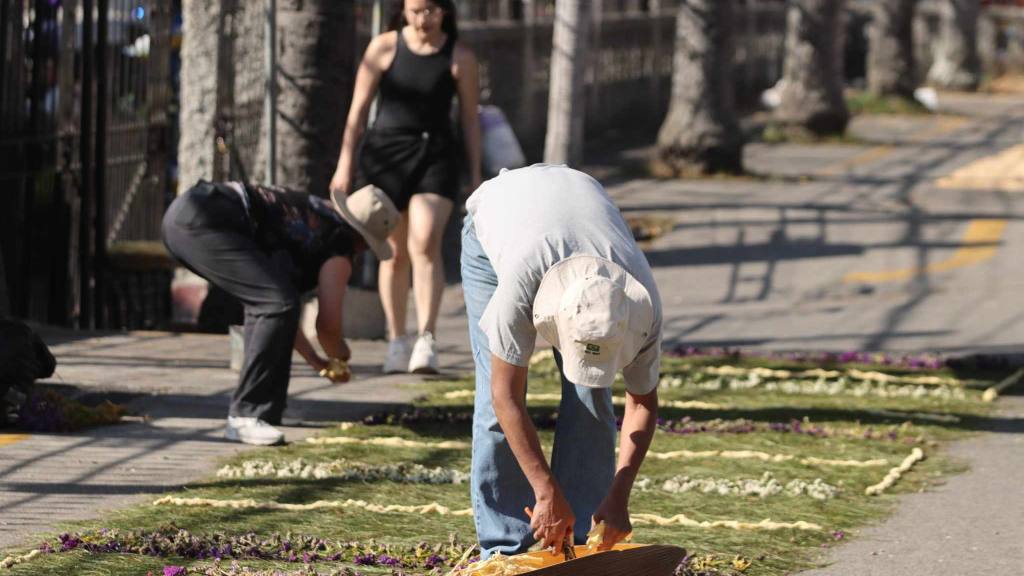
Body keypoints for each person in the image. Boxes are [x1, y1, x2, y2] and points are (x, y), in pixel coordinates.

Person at [461, 164, 662, 558]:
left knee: (593, 395)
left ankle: (582, 538)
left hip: (575, 200)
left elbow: (642, 402)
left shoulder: (640, 304)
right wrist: (544, 489)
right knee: (492, 401)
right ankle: (506, 550)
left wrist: (619, 495)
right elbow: (507, 396)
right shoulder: (521, 283)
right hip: (500, 219)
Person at [162, 181, 399, 445]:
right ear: (363, 241)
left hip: (188, 212)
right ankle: (246, 417)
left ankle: (266, 412)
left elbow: (281, 312)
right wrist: (340, 356)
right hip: (208, 219)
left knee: (273, 301)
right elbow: (328, 326)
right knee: (274, 302)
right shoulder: (339, 242)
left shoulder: (317, 215)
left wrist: (315, 361)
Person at [330, 0, 482, 375]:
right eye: (414, 11)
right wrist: (345, 164)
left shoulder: (460, 56)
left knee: (425, 240)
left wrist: (476, 175)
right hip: (386, 155)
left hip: (436, 155)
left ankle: (426, 338)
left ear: (444, 11)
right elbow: (358, 111)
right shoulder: (383, 47)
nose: (422, 19)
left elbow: (470, 121)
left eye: (430, 10)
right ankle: (398, 339)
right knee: (395, 253)